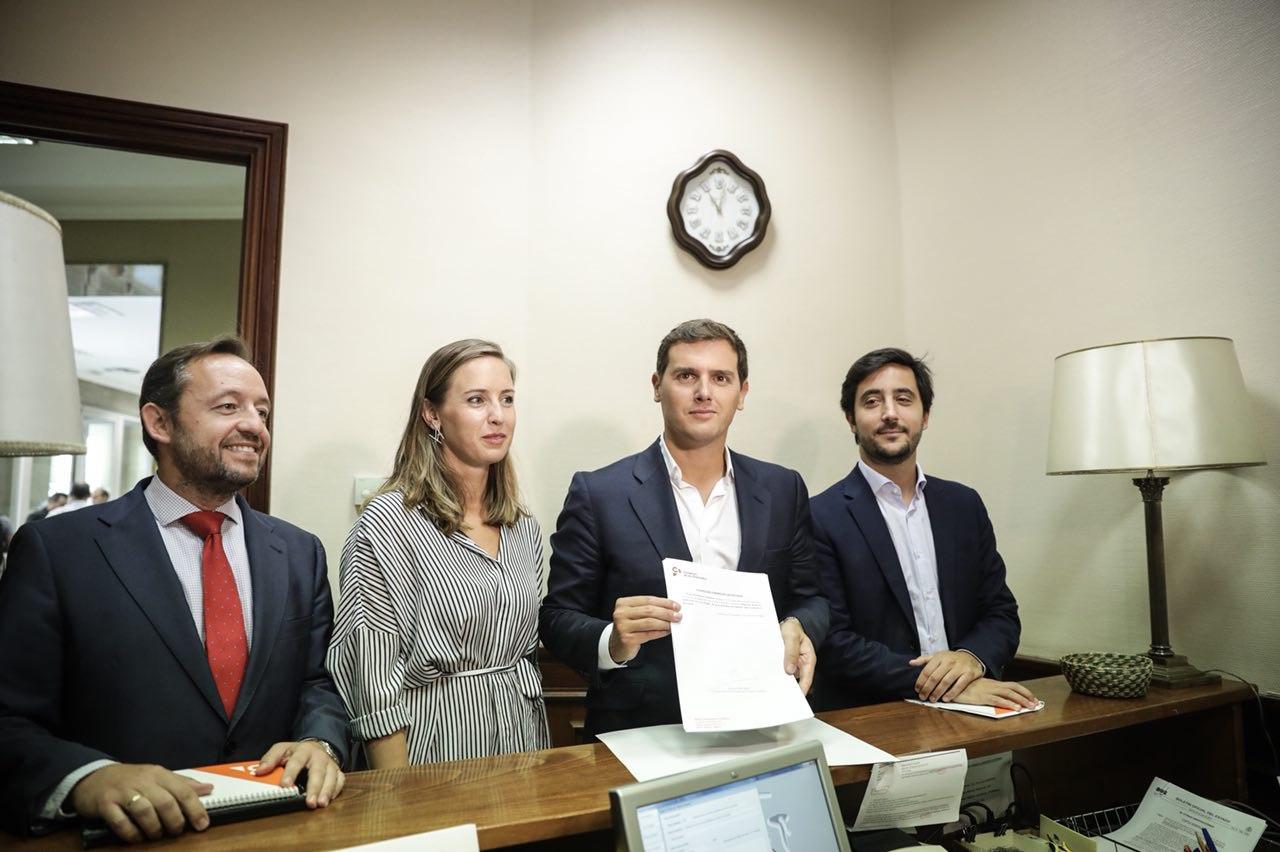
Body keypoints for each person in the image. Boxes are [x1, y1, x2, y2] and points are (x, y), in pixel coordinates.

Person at [0, 337, 347, 842]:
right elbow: (9, 719)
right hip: (123, 837)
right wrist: (87, 777)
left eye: (262, 411)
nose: (254, 425)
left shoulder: (299, 552)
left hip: (273, 829)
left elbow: (318, 683)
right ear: (159, 423)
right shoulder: (58, 552)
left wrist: (321, 741)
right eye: (228, 407)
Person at [540, 319, 829, 737]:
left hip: (763, 723)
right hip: (642, 731)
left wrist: (800, 625)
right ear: (658, 386)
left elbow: (812, 598)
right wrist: (612, 641)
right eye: (686, 375)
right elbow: (557, 617)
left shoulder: (783, 488)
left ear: (742, 392)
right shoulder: (599, 492)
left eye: (721, 378)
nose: (704, 392)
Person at [327, 339, 550, 767]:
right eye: (475, 400)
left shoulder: (523, 528)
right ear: (432, 414)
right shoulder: (388, 522)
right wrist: (398, 794)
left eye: (506, 399)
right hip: (431, 750)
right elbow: (372, 681)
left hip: (522, 744)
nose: (497, 416)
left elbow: (525, 653)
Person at [810, 348, 1037, 711]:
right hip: (879, 719)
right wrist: (940, 685)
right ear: (851, 419)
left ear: (925, 415)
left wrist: (970, 657)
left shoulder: (964, 505)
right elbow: (833, 641)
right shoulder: (819, 515)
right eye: (872, 401)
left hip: (977, 711)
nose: (890, 413)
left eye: (904, 399)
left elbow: (1001, 612)